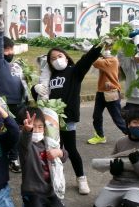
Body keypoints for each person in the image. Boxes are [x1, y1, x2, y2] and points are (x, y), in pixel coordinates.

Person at [32, 43, 102, 195]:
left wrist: (99, 46)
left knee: (71, 149)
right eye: (52, 58)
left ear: (66, 57)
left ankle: (81, 178)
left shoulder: (74, 71)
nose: (56, 60)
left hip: (67, 118)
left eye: (59, 56)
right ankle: (54, 179)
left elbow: (87, 59)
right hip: (51, 120)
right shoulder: (49, 75)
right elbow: (40, 96)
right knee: (52, 150)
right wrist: (34, 88)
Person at [93, 109, 139, 207]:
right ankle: (120, 203)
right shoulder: (120, 142)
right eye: (135, 122)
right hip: (118, 183)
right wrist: (114, 170)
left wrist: (136, 163)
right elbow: (112, 162)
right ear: (128, 124)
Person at [18, 107, 72, 207]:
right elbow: (24, 140)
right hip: (33, 191)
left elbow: (63, 157)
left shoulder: (49, 142)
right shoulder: (25, 146)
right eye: (33, 127)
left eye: (40, 127)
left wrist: (59, 153)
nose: (36, 130)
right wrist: (27, 131)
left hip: (50, 191)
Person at [0, 18, 27, 173]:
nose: (10, 52)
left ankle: (16, 157)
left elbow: (24, 82)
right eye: (7, 50)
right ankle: (10, 159)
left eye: (11, 49)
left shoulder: (17, 65)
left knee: (20, 132)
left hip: (21, 103)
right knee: (9, 132)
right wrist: (0, 32)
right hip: (6, 104)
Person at [87, 42, 127, 145]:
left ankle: (130, 135)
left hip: (111, 93)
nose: (107, 49)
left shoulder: (112, 61)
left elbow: (95, 62)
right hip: (101, 92)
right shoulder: (106, 60)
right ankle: (100, 136)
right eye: (106, 47)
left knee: (117, 117)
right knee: (96, 116)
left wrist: (91, 50)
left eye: (109, 47)